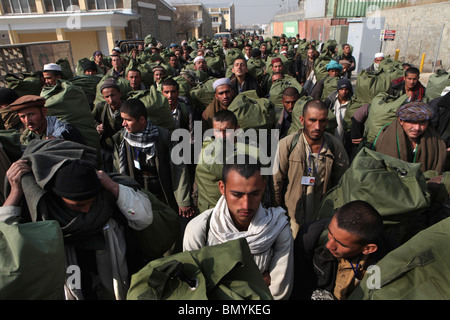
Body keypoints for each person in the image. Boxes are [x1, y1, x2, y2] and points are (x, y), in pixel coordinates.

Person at [1, 152, 154, 300]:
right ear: (60, 198)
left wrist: (112, 186)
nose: (87, 210)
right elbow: (6, 241)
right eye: (78, 205)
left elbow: (143, 218)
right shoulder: (44, 215)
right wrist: (15, 193)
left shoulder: (106, 203)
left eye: (91, 203)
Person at [184, 155, 294, 300]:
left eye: (254, 194)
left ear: (263, 188)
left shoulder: (277, 229)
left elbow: (278, 293)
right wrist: (257, 281)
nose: (246, 205)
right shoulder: (199, 229)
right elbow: (193, 290)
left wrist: (220, 283)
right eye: (237, 194)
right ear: (222, 188)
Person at [273, 99, 349, 238]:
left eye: (322, 121)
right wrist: (276, 215)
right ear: (302, 120)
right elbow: (276, 182)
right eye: (312, 120)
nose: (317, 126)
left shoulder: (334, 146)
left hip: (321, 218)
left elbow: (343, 184)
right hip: (292, 217)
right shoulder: (287, 145)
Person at [291, 200, 396, 300]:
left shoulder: (388, 261)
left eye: (341, 244)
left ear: (368, 249)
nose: (329, 245)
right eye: (330, 233)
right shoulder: (311, 235)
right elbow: (299, 285)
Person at [114, 98, 194, 219]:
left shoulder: (164, 136)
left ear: (142, 120)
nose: (123, 123)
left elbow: (179, 169)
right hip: (137, 195)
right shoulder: (122, 139)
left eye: (128, 120)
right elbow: (117, 169)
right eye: (123, 119)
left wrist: (183, 201)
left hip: (163, 195)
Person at [373, 101, 447, 174]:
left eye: (422, 122)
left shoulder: (435, 141)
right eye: (412, 122)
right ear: (401, 121)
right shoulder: (386, 136)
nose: (417, 128)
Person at [9, 95, 85, 147]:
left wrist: (63, 147)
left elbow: (86, 157)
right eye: (22, 116)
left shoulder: (66, 131)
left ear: (44, 111)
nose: (27, 121)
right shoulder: (27, 137)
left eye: (31, 114)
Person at [92, 79, 124, 172]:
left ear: (120, 94)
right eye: (107, 97)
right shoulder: (101, 107)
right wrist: (97, 126)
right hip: (106, 147)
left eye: (113, 95)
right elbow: (92, 120)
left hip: (122, 149)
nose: (111, 99)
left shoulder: (126, 107)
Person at [324, 78, 353, 150]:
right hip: (330, 135)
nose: (344, 92)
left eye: (346, 89)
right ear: (338, 90)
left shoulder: (352, 104)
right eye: (341, 89)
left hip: (344, 137)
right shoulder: (331, 101)